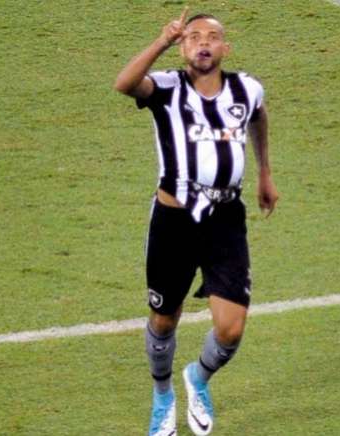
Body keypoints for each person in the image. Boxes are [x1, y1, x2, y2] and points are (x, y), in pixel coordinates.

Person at [114, 7, 279, 435]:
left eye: (211, 36)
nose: (202, 42)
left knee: (231, 328)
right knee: (164, 319)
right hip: (174, 220)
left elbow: (259, 117)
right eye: (193, 37)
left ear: (225, 47)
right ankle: (163, 395)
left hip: (226, 219)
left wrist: (264, 173)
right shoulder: (167, 87)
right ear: (183, 46)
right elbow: (124, 83)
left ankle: (197, 379)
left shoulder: (247, 89)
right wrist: (161, 41)